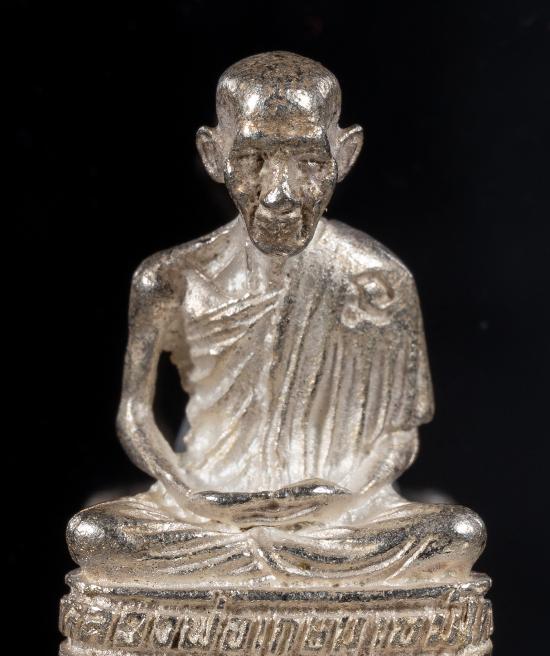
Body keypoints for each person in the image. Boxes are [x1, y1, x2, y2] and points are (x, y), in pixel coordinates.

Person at [67, 51, 485, 587]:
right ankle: (281, 566)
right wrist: (191, 494)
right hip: (208, 505)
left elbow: (399, 437)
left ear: (345, 155)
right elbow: (134, 414)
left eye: (308, 162)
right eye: (252, 161)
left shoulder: (378, 279)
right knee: (96, 536)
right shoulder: (169, 278)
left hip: (337, 516)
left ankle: (275, 564)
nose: (279, 194)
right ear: (213, 155)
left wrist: (345, 496)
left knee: (456, 534)